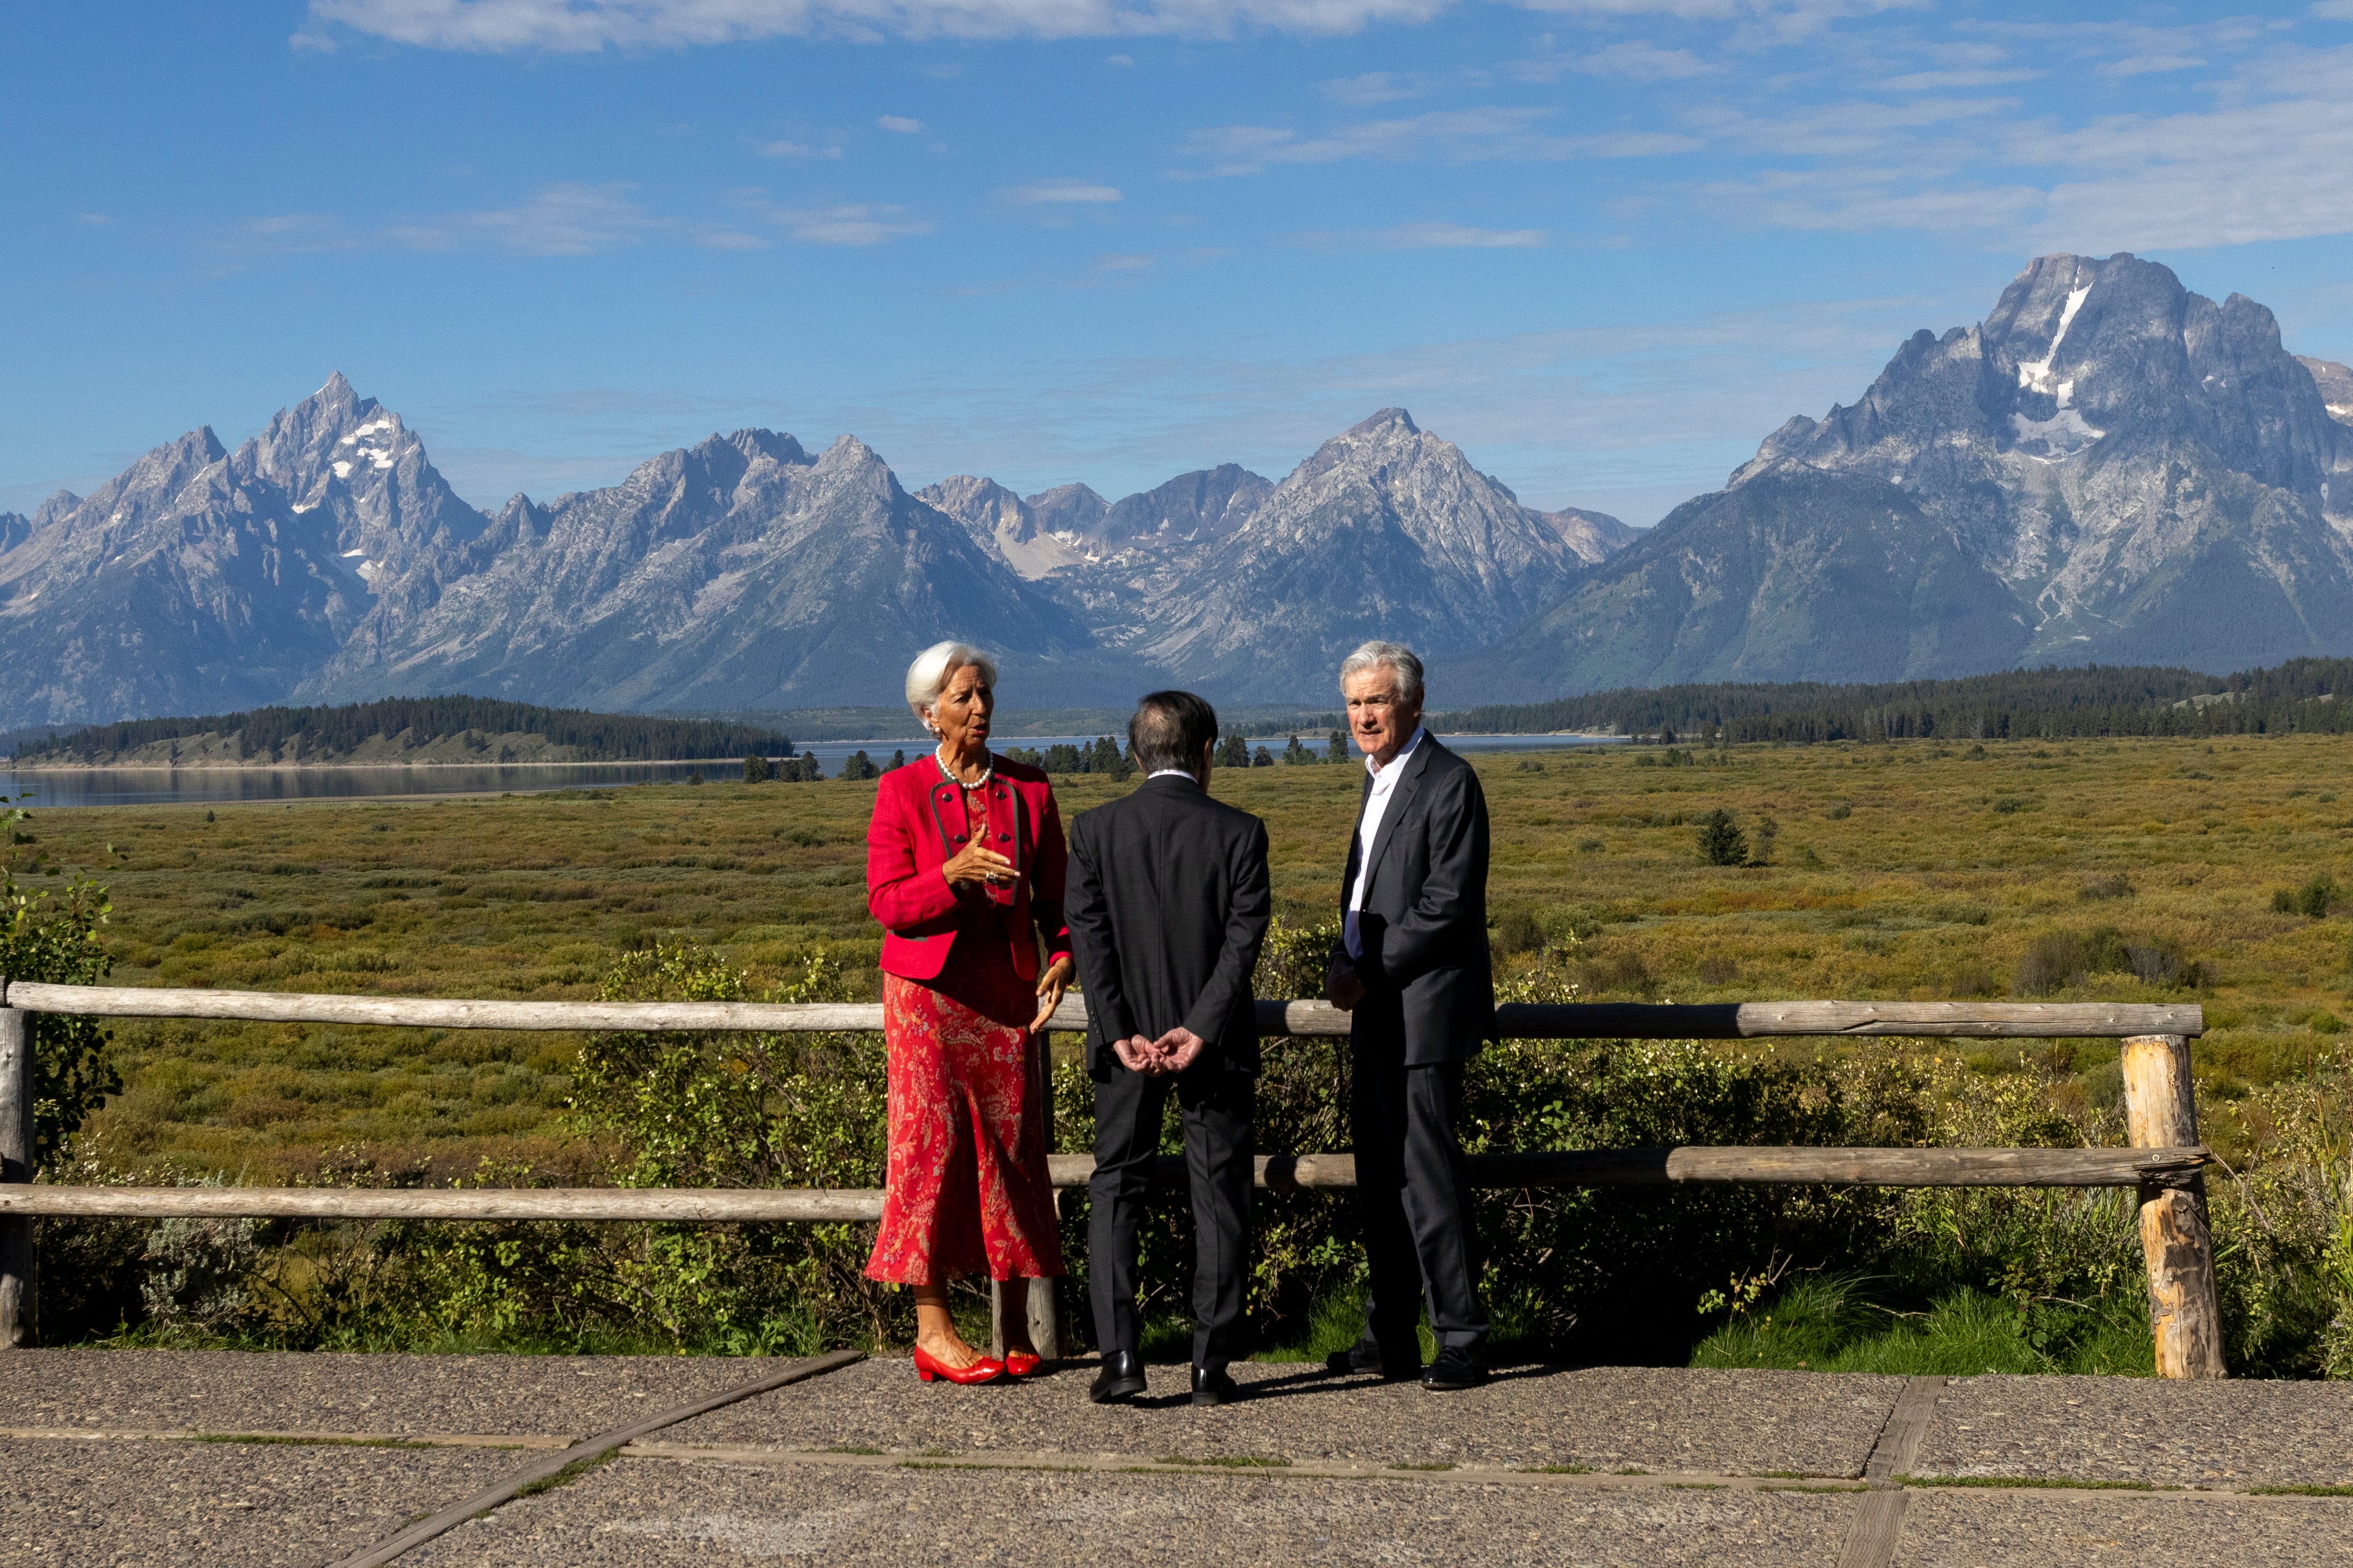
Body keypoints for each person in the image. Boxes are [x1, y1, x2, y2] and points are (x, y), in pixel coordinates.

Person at [864, 640, 1072, 1385]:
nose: (980, 708)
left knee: (1011, 1154)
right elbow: (887, 904)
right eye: (962, 698)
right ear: (929, 715)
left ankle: (1013, 1328)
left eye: (984, 695)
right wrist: (950, 875)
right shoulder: (901, 792)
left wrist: (1060, 959)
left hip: (1005, 996)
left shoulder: (1031, 792)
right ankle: (934, 1331)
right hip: (926, 999)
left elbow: (1060, 906)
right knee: (930, 1149)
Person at [1067, 691, 1271, 1407]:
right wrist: (1202, 1024)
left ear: (1135, 753)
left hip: (1122, 1046)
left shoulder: (1093, 832)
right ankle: (1211, 1365)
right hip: (1211, 1047)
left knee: (1116, 1188)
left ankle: (1120, 1356)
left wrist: (1119, 1028)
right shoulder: (1241, 833)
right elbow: (1242, 943)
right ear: (1207, 751)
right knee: (1219, 1196)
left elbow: (1089, 942)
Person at [1322, 640, 1495, 1391]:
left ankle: (1461, 1337)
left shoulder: (1448, 782)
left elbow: (1446, 907)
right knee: (1378, 1179)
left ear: (1414, 705)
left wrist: (1366, 973)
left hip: (1421, 1016)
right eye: (1356, 702)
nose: (1365, 715)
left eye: (1378, 701)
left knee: (1427, 1179)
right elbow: (1368, 896)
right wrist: (1342, 955)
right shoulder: (1380, 779)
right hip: (1377, 1011)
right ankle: (1388, 1333)